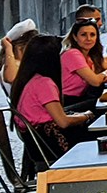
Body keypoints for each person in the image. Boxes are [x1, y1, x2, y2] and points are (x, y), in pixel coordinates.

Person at [10, 34, 95, 173]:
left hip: (39, 144)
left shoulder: (27, 79)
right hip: (50, 147)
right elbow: (63, 121)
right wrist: (86, 116)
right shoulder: (44, 84)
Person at [61, 19, 107, 111]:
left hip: (83, 98)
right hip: (68, 102)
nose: (88, 39)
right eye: (83, 35)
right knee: (105, 104)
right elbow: (95, 81)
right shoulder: (72, 54)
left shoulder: (90, 55)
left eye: (92, 35)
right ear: (75, 37)